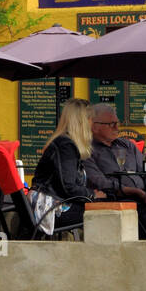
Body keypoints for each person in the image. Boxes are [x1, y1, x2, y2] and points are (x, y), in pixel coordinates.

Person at [31, 98, 105, 231]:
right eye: (90, 119)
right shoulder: (66, 146)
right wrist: (92, 194)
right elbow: (68, 187)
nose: (92, 123)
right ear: (81, 121)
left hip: (47, 204)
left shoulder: (63, 142)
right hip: (49, 210)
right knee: (104, 213)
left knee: (101, 207)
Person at [84, 103, 146, 238]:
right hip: (113, 200)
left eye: (117, 123)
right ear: (94, 126)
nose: (117, 127)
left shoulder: (127, 145)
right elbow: (98, 182)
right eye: (111, 124)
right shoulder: (87, 150)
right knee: (144, 213)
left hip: (143, 198)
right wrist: (135, 192)